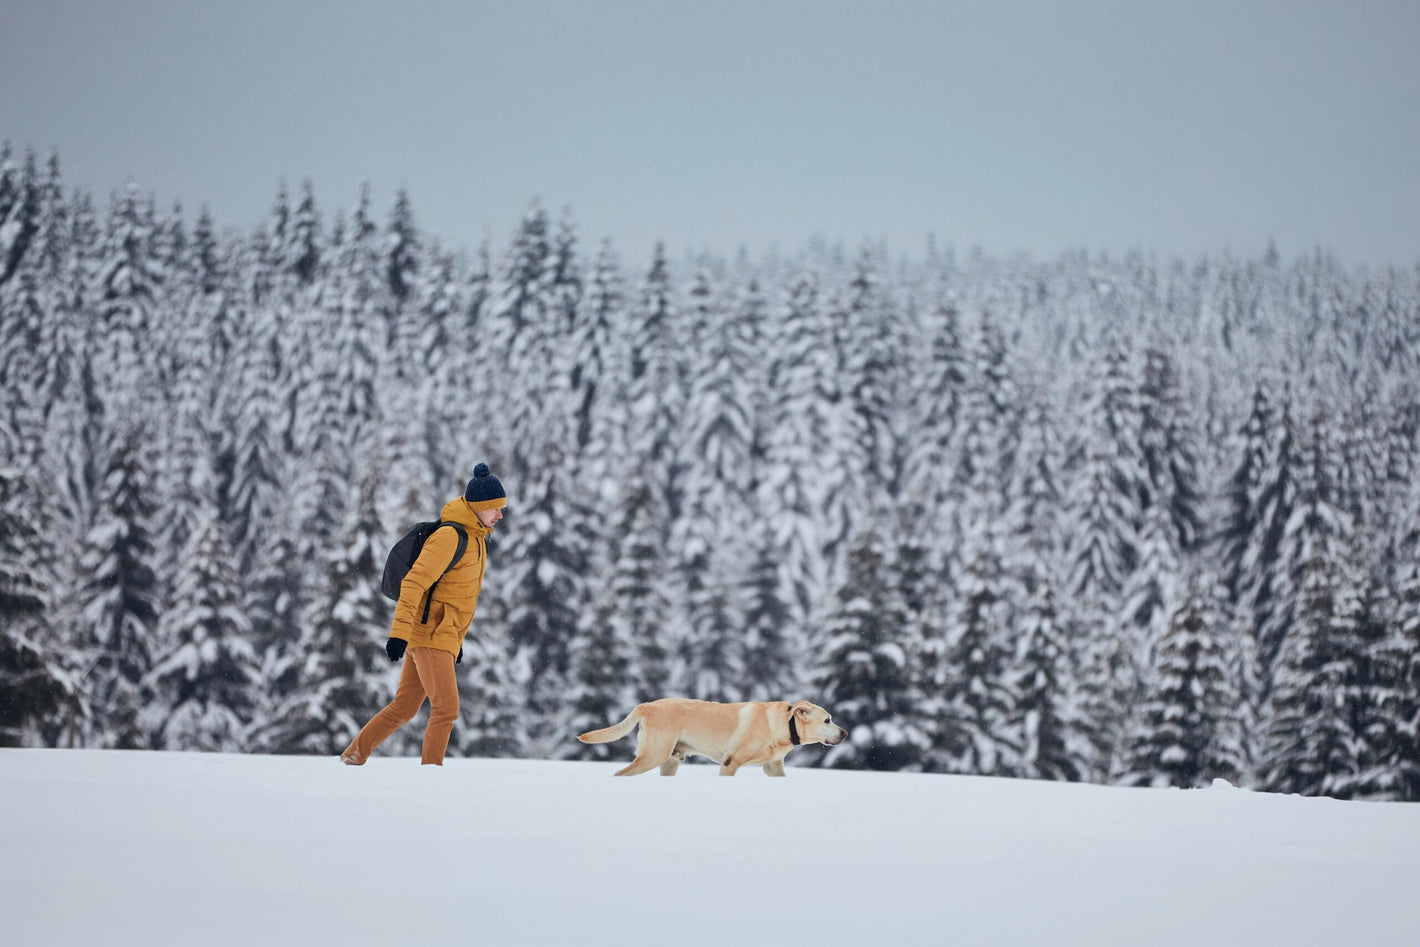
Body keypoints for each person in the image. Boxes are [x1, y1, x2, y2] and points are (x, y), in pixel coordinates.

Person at [340, 463, 507, 766]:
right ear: (480, 507)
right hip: (429, 635)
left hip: (439, 635)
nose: (500, 515)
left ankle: (354, 754)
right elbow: (414, 583)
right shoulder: (450, 537)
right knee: (446, 708)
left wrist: (455, 641)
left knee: (404, 707)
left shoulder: (477, 540)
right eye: (495, 508)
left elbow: (455, 598)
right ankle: (431, 776)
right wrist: (398, 634)